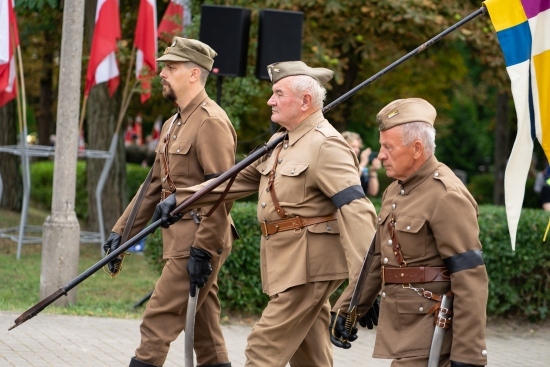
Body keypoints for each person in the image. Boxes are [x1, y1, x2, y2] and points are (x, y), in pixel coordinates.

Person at [153, 61, 378, 366]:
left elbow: (357, 212)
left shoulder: (327, 145)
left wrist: (364, 287)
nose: (270, 100)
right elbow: (234, 180)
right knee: (309, 357)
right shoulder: (281, 140)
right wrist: (181, 200)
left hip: (310, 265)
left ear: (305, 101)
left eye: (278, 93)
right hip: (288, 263)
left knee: (262, 349)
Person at [103, 37, 238, 367]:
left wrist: (202, 250)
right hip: (179, 238)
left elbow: (222, 194)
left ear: (194, 74)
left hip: (197, 237)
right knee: (204, 330)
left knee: (157, 321)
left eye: (171, 67)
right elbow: (153, 186)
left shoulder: (211, 121)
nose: (162, 73)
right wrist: (122, 233)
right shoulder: (173, 123)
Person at [331, 98, 489, 367]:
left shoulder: (446, 195)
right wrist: (347, 310)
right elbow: (376, 257)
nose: (381, 155)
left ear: (417, 148)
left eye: (388, 147)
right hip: (404, 330)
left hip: (432, 333)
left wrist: (468, 355)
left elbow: (470, 278)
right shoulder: (395, 188)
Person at [342, 131, 381, 197]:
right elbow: (349, 185)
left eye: (358, 147)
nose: (357, 150)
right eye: (353, 146)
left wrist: (372, 171)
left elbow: (373, 192)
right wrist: (363, 163)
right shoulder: (339, 165)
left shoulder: (360, 168)